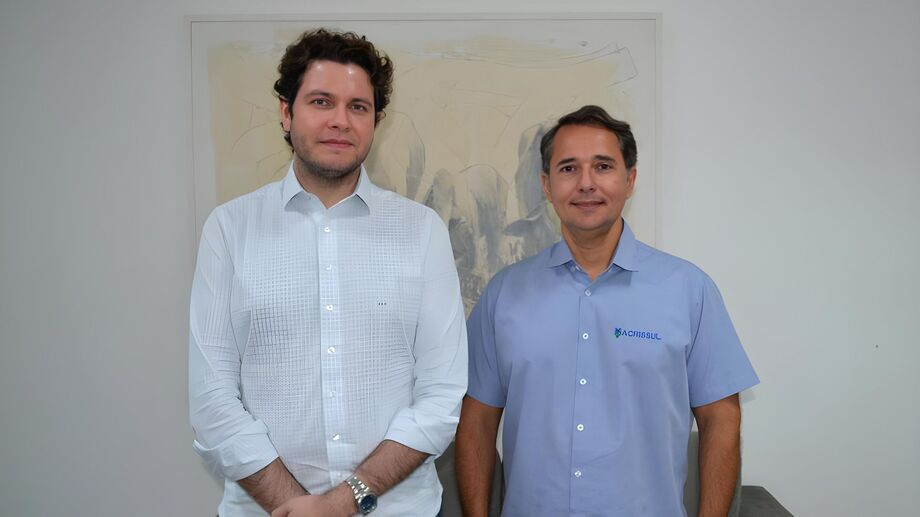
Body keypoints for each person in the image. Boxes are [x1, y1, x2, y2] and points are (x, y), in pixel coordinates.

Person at [189, 28, 467, 517]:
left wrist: (342, 503)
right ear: (286, 111)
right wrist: (299, 508)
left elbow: (441, 397)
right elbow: (213, 402)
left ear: (376, 121)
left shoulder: (422, 230)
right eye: (321, 101)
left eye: (358, 107)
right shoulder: (229, 229)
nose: (341, 120)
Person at [455, 105, 759, 516]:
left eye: (602, 166)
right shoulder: (505, 293)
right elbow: (476, 420)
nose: (586, 183)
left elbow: (721, 419)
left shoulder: (689, 290)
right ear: (546, 185)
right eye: (568, 169)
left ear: (630, 179)